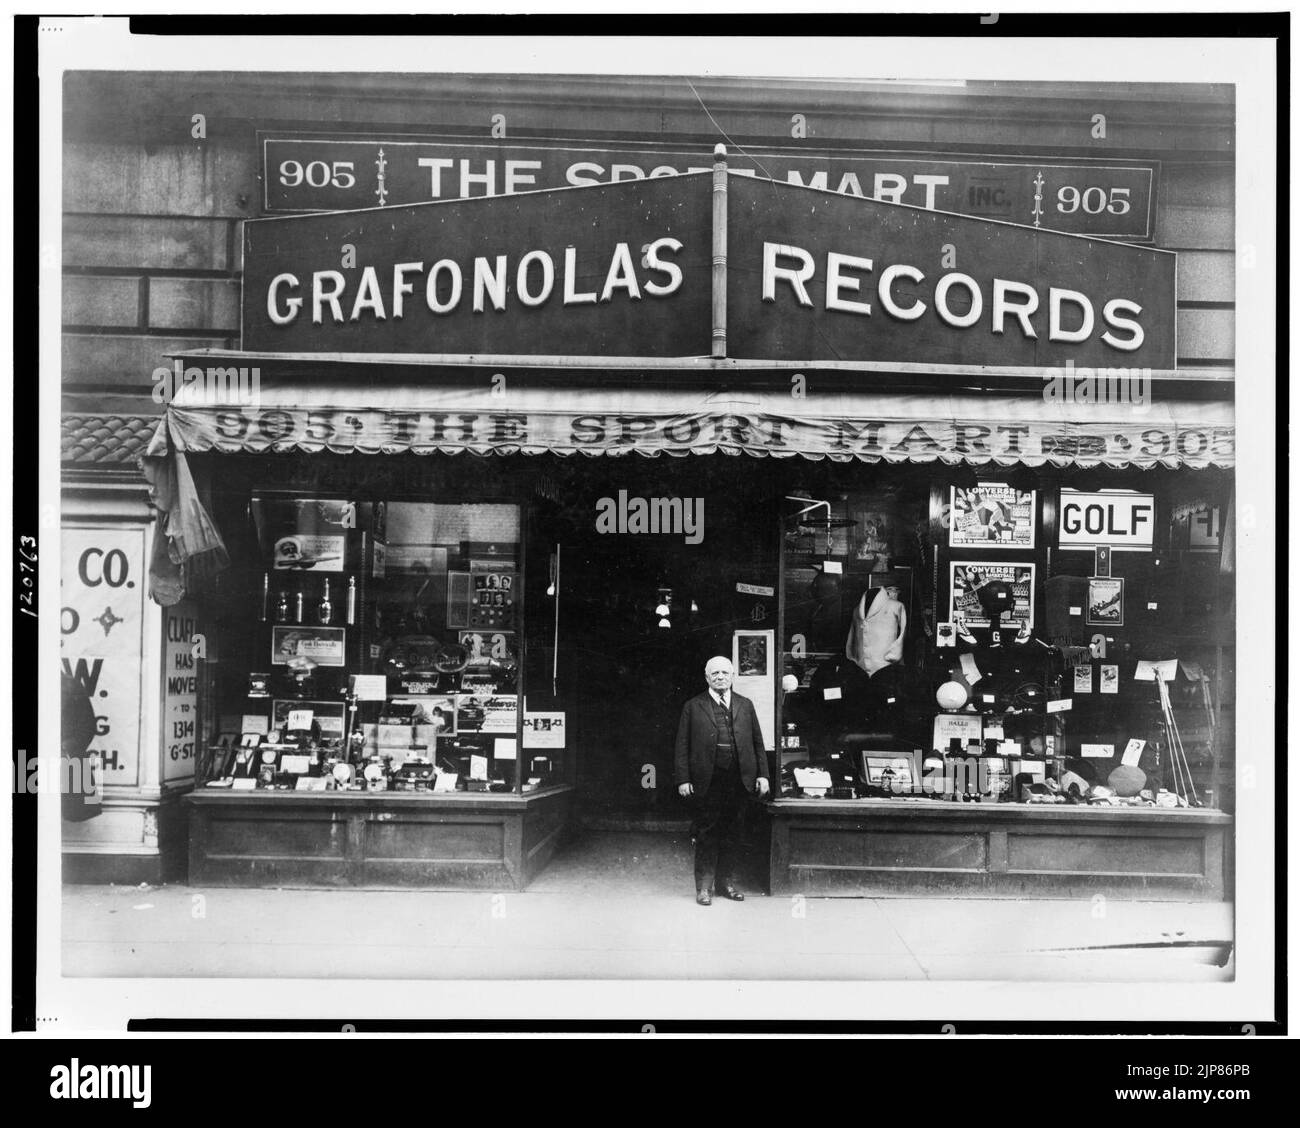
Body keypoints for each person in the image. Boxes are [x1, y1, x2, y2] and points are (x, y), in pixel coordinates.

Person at [675, 656, 770, 906]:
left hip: (740, 779)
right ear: (707, 677)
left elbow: (758, 743)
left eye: (724, 673)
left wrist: (763, 774)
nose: (720, 677)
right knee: (707, 833)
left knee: (734, 832)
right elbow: (682, 745)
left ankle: (726, 884)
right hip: (709, 780)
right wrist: (683, 778)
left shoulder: (745, 705)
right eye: (714, 673)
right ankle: (704, 888)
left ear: (732, 677)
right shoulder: (693, 706)